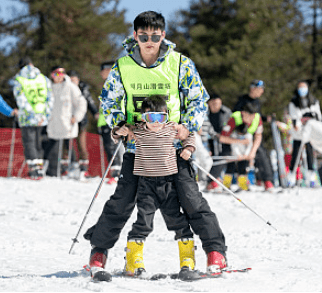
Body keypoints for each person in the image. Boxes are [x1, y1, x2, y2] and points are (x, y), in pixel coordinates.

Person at [84, 11, 227, 278]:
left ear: (163, 34)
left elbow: (198, 99)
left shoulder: (181, 63)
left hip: (172, 150)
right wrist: (118, 124)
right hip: (137, 149)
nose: (149, 41)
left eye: (155, 35)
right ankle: (99, 251)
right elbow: (108, 101)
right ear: (135, 35)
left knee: (191, 200)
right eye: (143, 36)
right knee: (123, 202)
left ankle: (215, 251)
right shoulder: (123, 66)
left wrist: (188, 127)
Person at [111, 95, 195, 276]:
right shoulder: (138, 131)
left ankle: (187, 259)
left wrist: (188, 148)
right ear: (143, 117)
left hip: (168, 183)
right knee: (144, 221)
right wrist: (121, 130)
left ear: (166, 116)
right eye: (151, 118)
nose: (156, 123)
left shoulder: (172, 129)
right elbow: (117, 132)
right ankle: (134, 259)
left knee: (177, 219)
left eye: (160, 118)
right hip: (146, 184)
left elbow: (189, 135)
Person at [13, 57, 53, 179]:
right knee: (38, 142)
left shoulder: (19, 79)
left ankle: (33, 169)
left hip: (28, 117)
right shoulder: (44, 78)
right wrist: (46, 114)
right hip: (41, 117)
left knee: (29, 142)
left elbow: (20, 99)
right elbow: (50, 97)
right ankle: (40, 167)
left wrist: (31, 113)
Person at [44, 66, 87, 177]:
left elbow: (81, 103)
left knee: (69, 146)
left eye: (61, 73)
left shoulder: (70, 86)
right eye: (56, 74)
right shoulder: (49, 88)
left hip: (67, 123)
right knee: (52, 147)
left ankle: (73, 169)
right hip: (54, 124)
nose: (59, 77)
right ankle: (51, 171)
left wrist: (76, 116)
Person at [233, 79, 274, 191]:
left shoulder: (257, 102)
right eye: (260, 89)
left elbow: (258, 116)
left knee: (261, 154)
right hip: (242, 133)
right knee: (243, 156)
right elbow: (235, 114)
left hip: (255, 133)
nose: (262, 92)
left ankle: (267, 181)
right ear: (253, 88)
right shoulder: (243, 100)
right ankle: (242, 182)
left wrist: (267, 118)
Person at [219, 104, 264, 192]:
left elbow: (257, 137)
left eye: (252, 116)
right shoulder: (234, 118)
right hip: (231, 144)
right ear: (243, 113)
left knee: (243, 165)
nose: (251, 119)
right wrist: (239, 144)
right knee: (230, 165)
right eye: (248, 116)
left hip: (245, 148)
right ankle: (226, 184)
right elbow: (223, 138)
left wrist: (250, 153)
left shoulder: (257, 119)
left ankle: (242, 184)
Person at [288, 80, 322, 187]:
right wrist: (298, 125)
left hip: (310, 132)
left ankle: (311, 176)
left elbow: (318, 116)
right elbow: (294, 118)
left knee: (310, 152)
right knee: (296, 153)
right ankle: (292, 177)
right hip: (299, 133)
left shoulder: (314, 101)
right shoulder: (294, 102)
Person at [66, 70, 99, 174]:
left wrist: (95, 112)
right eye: (70, 80)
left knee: (81, 143)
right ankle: (70, 165)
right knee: (68, 144)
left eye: (74, 80)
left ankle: (83, 167)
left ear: (78, 80)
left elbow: (90, 101)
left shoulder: (83, 89)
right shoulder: (65, 89)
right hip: (68, 121)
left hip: (81, 121)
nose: (72, 82)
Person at [95, 61, 123, 183]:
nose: (101, 73)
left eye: (103, 70)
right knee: (108, 146)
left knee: (113, 146)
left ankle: (117, 173)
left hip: (112, 120)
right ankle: (114, 173)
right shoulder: (107, 83)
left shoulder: (115, 82)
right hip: (104, 120)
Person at [204, 94, 232, 192]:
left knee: (226, 156)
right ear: (209, 104)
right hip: (208, 139)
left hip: (224, 138)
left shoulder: (226, 112)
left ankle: (224, 182)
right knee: (213, 159)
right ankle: (212, 181)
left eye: (219, 103)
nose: (217, 106)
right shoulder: (204, 113)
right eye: (214, 104)